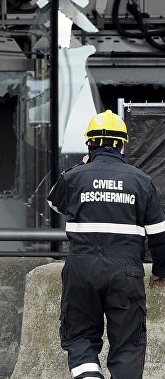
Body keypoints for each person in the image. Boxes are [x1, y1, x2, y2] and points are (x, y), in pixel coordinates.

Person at [47, 110, 165, 379]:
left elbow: (54, 203)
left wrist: (81, 167)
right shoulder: (141, 181)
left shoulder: (74, 177)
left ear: (89, 143)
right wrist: (161, 270)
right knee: (127, 344)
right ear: (123, 144)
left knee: (80, 338)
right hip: (126, 272)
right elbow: (159, 234)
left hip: (81, 268)